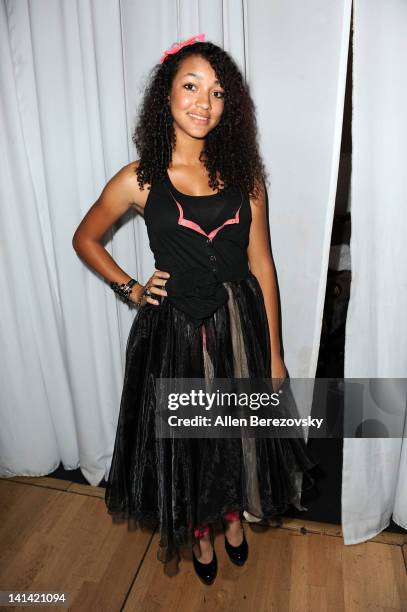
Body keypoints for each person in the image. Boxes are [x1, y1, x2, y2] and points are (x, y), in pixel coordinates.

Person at [72, 34, 317, 586]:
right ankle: (201, 533)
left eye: (217, 91)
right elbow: (85, 238)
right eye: (190, 86)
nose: (204, 101)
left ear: (229, 107)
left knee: (232, 434)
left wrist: (275, 357)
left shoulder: (246, 179)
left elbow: (264, 267)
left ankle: (232, 519)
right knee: (189, 442)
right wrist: (131, 288)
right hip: (172, 335)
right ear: (166, 96)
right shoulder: (140, 178)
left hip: (238, 329)